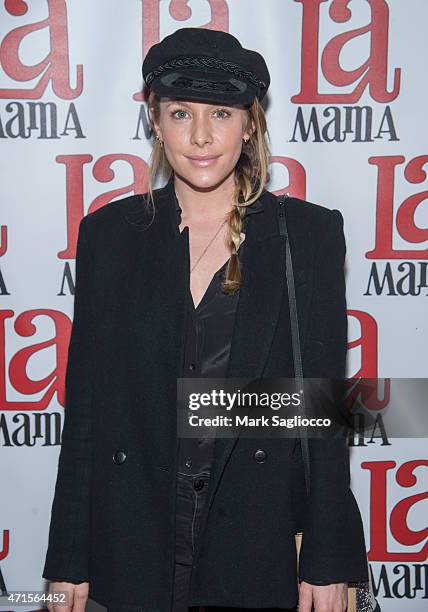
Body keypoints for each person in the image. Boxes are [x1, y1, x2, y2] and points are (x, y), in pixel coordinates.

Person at [42, 27, 370, 612]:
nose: (199, 136)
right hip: (135, 543)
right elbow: (88, 409)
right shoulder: (109, 238)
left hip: (256, 546)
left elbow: (323, 413)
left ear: (249, 123)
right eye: (180, 112)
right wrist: (68, 557)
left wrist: (328, 555)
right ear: (154, 118)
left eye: (220, 113)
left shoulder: (309, 236)